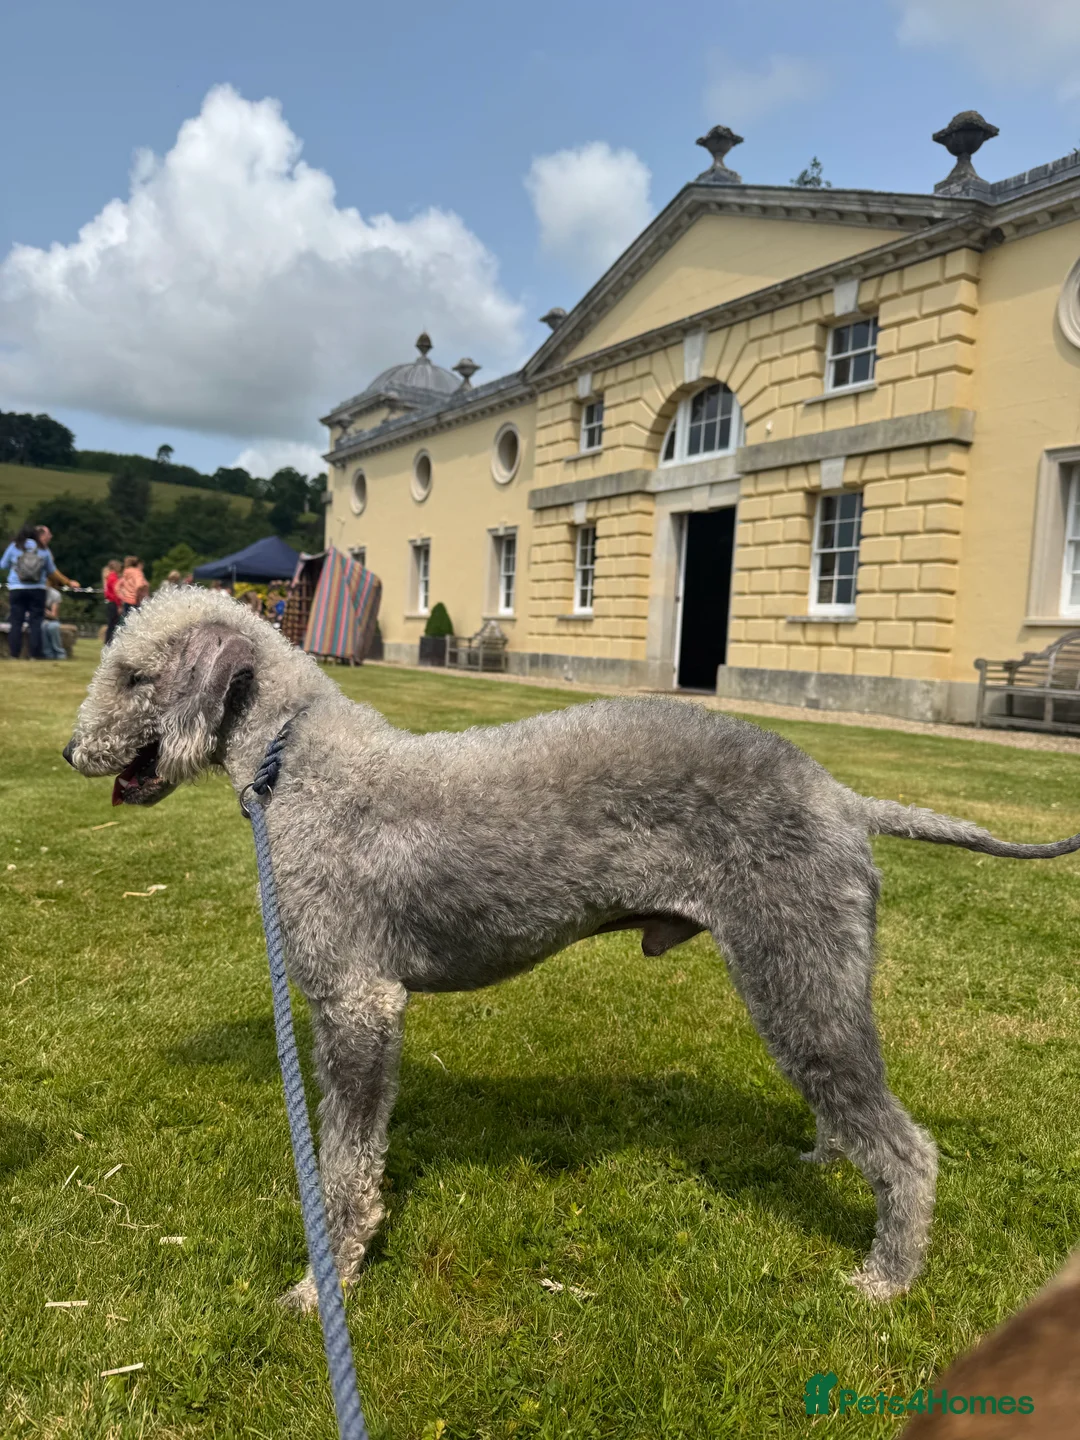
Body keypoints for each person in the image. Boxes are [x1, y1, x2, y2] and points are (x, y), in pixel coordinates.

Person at [2, 524, 56, 659]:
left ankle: (14, 654)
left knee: (16, 622)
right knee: (35, 622)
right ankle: (34, 655)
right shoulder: (43, 549)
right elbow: (51, 569)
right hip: (37, 589)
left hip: (17, 588)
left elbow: (3, 564)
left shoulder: (15, 546)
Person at [40, 586, 67, 660]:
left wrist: (45, 612)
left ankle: (59, 653)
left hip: (52, 620)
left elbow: (54, 616)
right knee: (41, 627)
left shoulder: (54, 594)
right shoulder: (33, 592)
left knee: (53, 627)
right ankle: (48, 654)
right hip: (38, 620)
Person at [103, 559, 123, 645]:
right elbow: (116, 593)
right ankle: (109, 641)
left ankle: (108, 641)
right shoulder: (113, 578)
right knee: (113, 624)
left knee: (111, 623)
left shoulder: (109, 577)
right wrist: (119, 605)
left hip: (111, 602)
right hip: (113, 602)